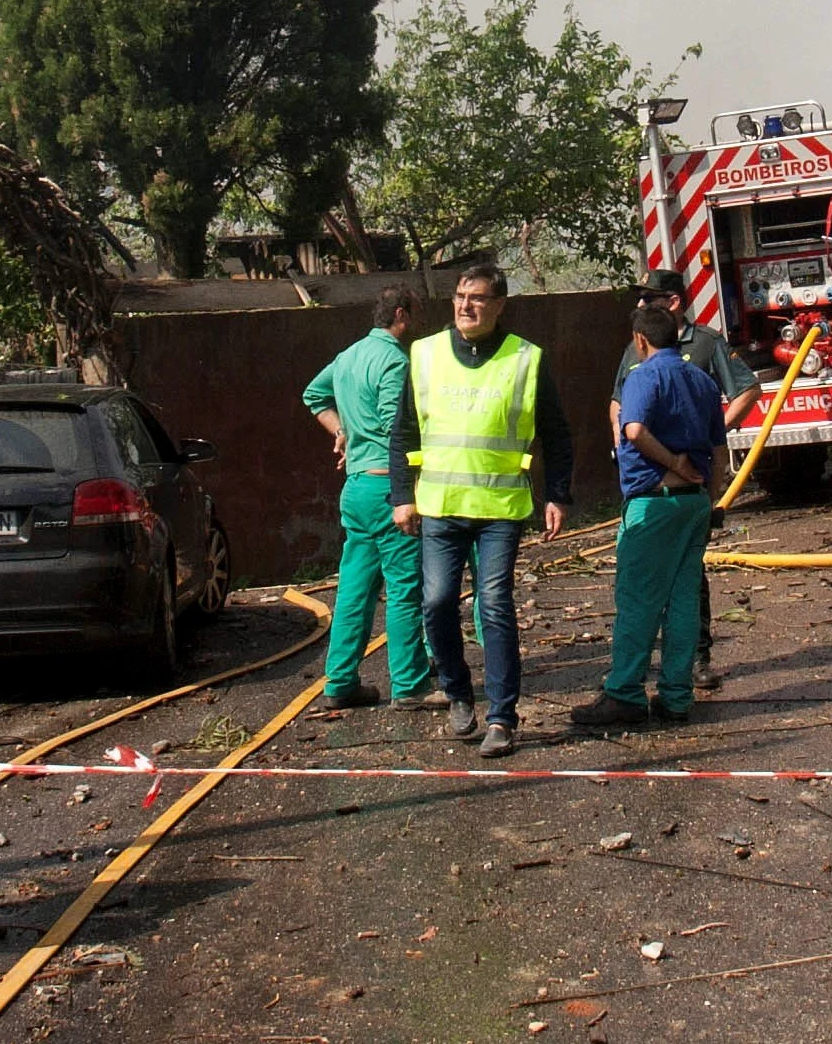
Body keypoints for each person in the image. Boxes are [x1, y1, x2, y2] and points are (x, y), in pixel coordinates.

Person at [390, 264, 571, 759]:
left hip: (500, 508)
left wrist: (557, 494)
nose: (465, 306)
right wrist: (402, 495)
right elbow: (404, 432)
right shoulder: (423, 355)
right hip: (441, 507)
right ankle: (457, 692)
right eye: (459, 296)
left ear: (500, 304)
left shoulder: (525, 359)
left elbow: (555, 432)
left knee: (493, 606)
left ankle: (501, 718)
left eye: (477, 298)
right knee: (436, 602)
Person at [570, 305, 730, 727]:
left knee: (638, 600)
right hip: (695, 504)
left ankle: (623, 693)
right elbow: (718, 451)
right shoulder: (702, 380)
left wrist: (674, 465)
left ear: (640, 340)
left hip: (654, 504)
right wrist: (710, 500)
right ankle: (676, 696)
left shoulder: (642, 376)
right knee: (681, 600)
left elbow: (634, 430)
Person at [606, 270, 759, 691]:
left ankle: (635, 687)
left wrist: (689, 450)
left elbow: (747, 390)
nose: (640, 306)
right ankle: (675, 690)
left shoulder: (705, 344)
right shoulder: (637, 350)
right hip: (676, 490)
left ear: (672, 302)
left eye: (648, 298)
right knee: (680, 586)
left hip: (664, 495)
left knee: (645, 592)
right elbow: (619, 409)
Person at [303, 284, 434, 710]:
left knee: (354, 590)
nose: (417, 322)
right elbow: (396, 427)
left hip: (356, 487)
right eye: (414, 313)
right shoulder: (395, 361)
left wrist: (341, 431)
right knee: (403, 588)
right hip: (388, 487)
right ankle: (410, 684)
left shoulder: (348, 356)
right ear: (401, 314)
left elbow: (314, 395)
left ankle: (339, 682)